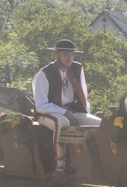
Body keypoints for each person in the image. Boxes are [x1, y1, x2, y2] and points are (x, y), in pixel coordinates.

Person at [32, 39, 101, 174]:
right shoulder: (44, 73)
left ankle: (94, 160)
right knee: (62, 122)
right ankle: (60, 164)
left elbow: (83, 94)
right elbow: (40, 105)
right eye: (65, 54)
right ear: (56, 55)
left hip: (72, 111)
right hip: (47, 112)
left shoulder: (77, 68)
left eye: (72, 54)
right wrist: (64, 112)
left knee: (100, 124)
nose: (69, 57)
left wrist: (85, 114)